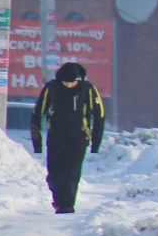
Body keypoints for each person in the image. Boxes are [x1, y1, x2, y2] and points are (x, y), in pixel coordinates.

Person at [31, 62, 105, 213]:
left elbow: (100, 116)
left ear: (79, 79)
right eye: (66, 82)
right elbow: (38, 114)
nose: (70, 85)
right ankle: (59, 202)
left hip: (79, 138)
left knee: (71, 173)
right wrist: (37, 143)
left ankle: (67, 206)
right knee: (55, 174)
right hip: (56, 138)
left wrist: (95, 143)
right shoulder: (51, 88)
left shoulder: (87, 89)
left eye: (73, 82)